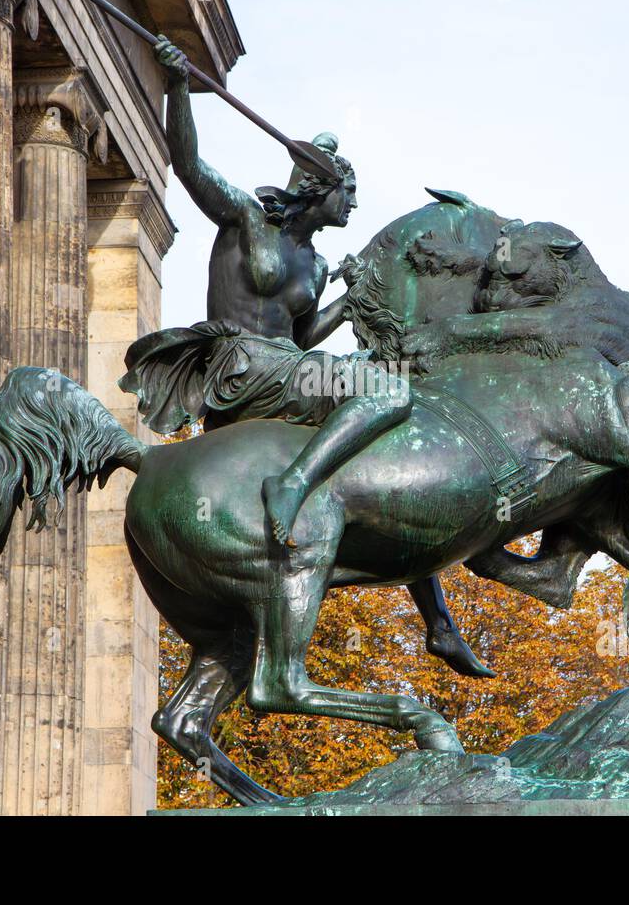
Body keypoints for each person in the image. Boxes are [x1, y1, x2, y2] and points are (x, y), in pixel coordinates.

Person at [119, 36, 492, 678]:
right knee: (390, 390)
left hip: (284, 368)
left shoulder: (317, 264)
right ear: (319, 187)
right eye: (348, 192)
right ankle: (292, 484)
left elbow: (301, 337)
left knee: (379, 459)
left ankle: (439, 621)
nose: (352, 205)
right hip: (242, 366)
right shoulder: (246, 221)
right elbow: (187, 164)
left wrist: (345, 307)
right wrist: (180, 87)